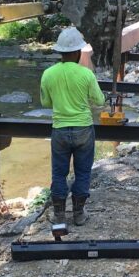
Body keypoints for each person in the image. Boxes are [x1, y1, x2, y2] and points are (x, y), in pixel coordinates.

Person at [40, 27, 105, 226]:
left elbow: (46, 103)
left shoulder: (48, 74)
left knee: (59, 173)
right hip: (83, 130)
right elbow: (100, 100)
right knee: (83, 172)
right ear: (78, 52)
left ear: (60, 52)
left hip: (59, 130)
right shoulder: (86, 75)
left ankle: (59, 215)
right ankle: (78, 214)